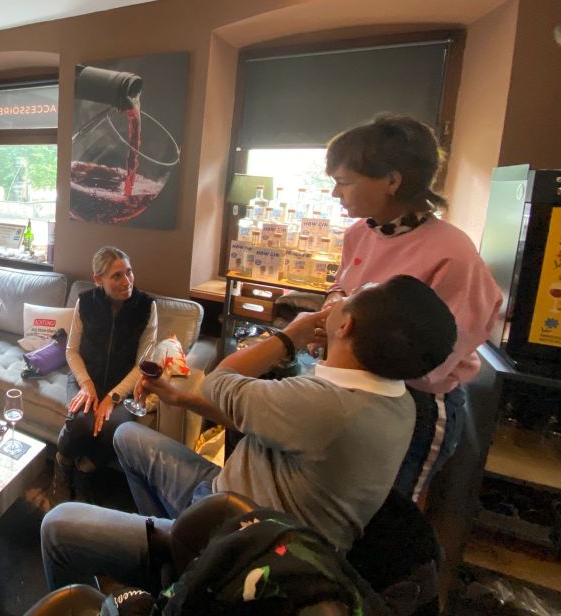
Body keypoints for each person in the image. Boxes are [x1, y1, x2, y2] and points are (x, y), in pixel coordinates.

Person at [41, 275, 457, 591]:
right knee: (126, 437)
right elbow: (257, 417)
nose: (336, 298)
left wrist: (289, 337)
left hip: (241, 544)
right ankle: (175, 559)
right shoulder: (395, 401)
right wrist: (181, 399)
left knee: (57, 526)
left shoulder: (328, 406)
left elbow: (220, 381)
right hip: (231, 498)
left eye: (347, 298)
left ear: (345, 325)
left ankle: (185, 557)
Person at [324, 114, 501, 501]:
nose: (336, 193)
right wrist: (334, 303)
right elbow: (342, 286)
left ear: (392, 181)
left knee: (389, 506)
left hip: (416, 402)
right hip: (361, 388)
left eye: (344, 182)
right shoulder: (360, 233)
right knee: (347, 502)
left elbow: (438, 357)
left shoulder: (452, 253)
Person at [52, 246, 158, 503]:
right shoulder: (86, 302)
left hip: (123, 385)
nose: (127, 281)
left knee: (113, 427)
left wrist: (113, 397)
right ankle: (62, 462)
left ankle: (85, 469)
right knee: (81, 421)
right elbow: (71, 351)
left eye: (129, 272)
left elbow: (142, 364)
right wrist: (86, 384)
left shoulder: (146, 307)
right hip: (85, 377)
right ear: (98, 279)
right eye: (117, 276)